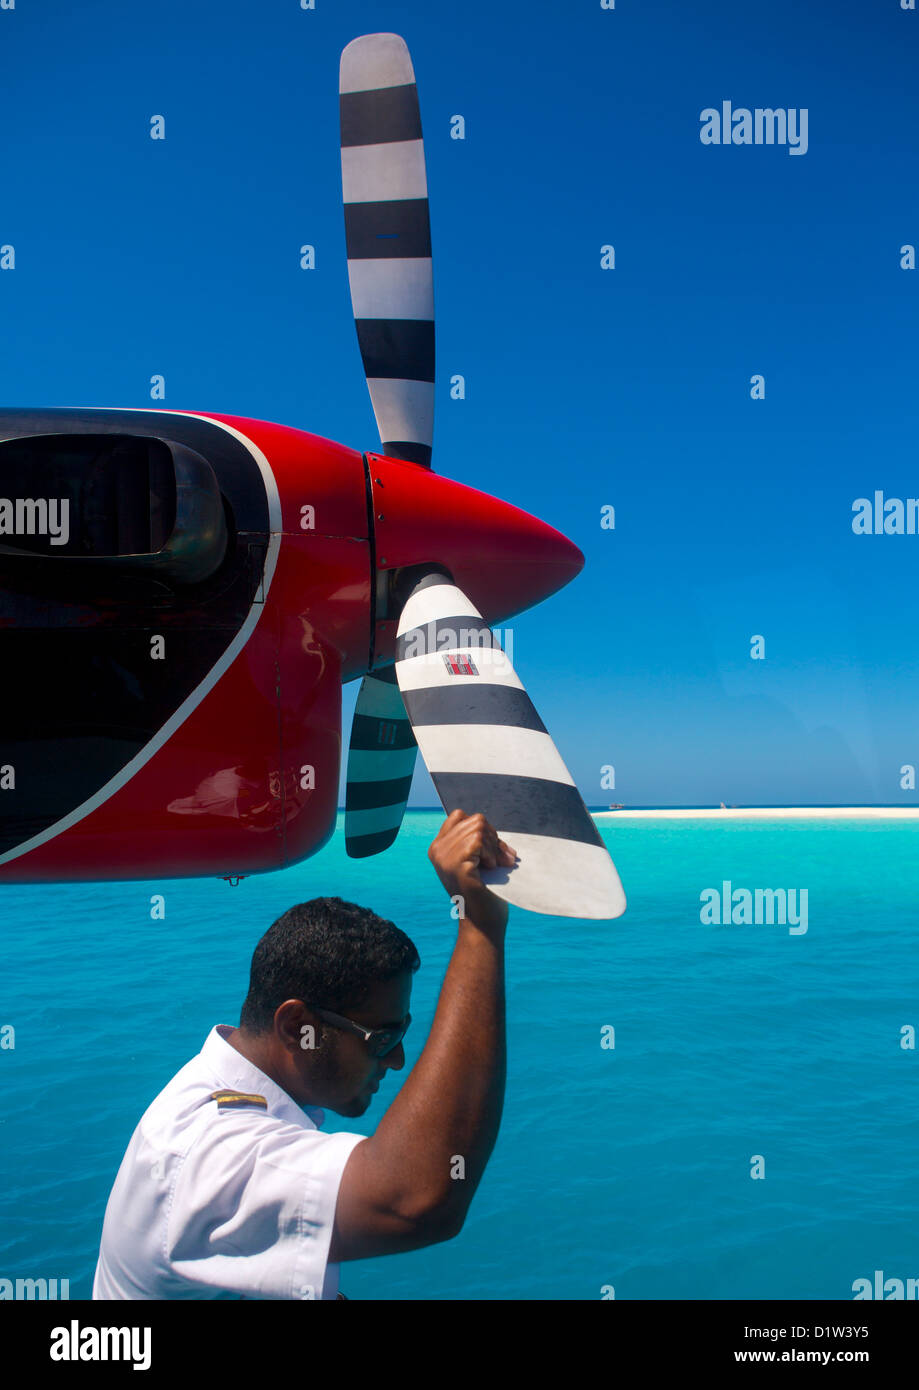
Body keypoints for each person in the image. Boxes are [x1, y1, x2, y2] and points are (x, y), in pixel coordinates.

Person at [92, 810, 516, 1300]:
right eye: (380, 1038)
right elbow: (414, 1200)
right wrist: (481, 928)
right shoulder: (207, 1153)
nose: (397, 1060)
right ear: (298, 1028)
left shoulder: (240, 1091)